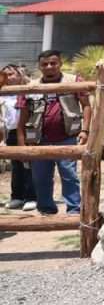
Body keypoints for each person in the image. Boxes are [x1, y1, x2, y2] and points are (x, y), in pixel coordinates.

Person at [16, 50, 91, 216]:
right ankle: (46, 210)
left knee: (69, 176)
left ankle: (74, 210)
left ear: (60, 64)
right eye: (45, 64)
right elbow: (22, 119)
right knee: (41, 178)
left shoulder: (74, 81)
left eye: (53, 63)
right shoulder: (30, 87)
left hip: (67, 138)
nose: (49, 67)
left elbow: (86, 105)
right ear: (40, 66)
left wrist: (85, 130)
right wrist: (22, 147)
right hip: (38, 141)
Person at [2, 65, 37, 211]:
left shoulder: (29, 90)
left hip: (28, 131)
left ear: (19, 74)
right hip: (11, 132)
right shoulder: (3, 92)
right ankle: (17, 197)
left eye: (12, 74)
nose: (9, 77)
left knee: (29, 165)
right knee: (16, 166)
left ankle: (31, 197)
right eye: (6, 75)